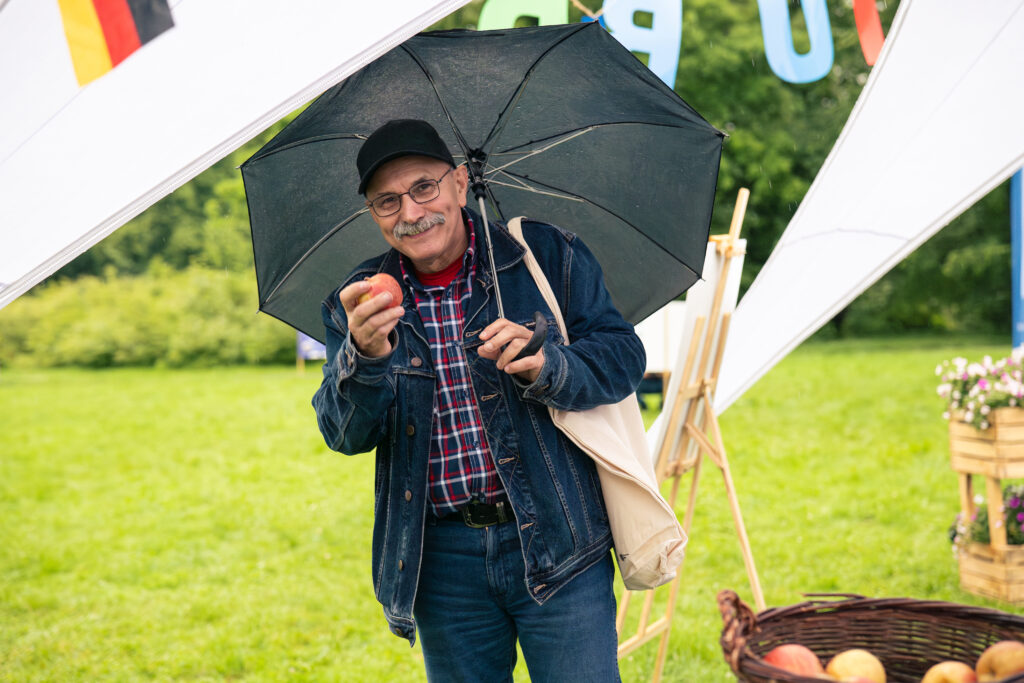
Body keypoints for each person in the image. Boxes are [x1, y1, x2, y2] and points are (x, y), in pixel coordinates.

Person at [312, 118, 645, 682]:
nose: (412, 212)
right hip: (441, 564)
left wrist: (549, 364)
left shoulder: (544, 256)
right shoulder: (358, 302)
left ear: (461, 184)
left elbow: (622, 358)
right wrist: (364, 357)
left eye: (424, 187)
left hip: (558, 538)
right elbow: (343, 434)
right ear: (373, 214)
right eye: (387, 201)